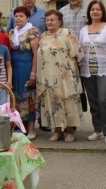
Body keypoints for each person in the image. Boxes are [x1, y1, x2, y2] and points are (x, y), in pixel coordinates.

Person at [37, 10, 84, 143]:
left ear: (60, 21)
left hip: (66, 76)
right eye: (47, 20)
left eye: (52, 20)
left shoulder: (67, 33)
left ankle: (69, 131)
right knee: (53, 104)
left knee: (68, 102)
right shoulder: (43, 36)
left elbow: (78, 54)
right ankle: (57, 131)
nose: (49, 22)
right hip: (48, 77)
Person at [79, 1, 106, 144]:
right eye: (92, 9)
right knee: (93, 102)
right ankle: (98, 130)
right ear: (89, 12)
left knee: (103, 100)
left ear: (102, 12)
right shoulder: (84, 30)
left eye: (98, 9)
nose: (95, 12)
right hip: (87, 71)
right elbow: (80, 51)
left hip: (105, 70)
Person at [8, 6, 40, 140]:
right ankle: (20, 126)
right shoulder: (11, 32)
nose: (18, 18)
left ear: (27, 18)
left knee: (28, 96)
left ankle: (31, 128)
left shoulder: (32, 31)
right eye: (16, 16)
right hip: (13, 69)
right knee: (15, 97)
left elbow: (36, 54)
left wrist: (33, 73)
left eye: (21, 16)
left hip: (27, 67)